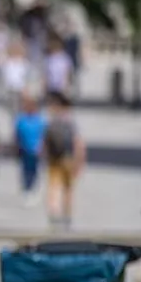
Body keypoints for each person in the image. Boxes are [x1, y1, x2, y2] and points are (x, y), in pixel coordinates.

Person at [42, 91, 86, 229]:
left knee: (53, 186)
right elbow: (78, 142)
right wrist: (80, 161)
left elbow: (45, 140)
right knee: (68, 188)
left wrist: (44, 155)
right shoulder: (70, 122)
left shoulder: (52, 121)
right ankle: (67, 215)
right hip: (68, 157)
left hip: (54, 158)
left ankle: (53, 213)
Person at [13, 93, 47, 205]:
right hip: (24, 149)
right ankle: (26, 189)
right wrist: (16, 146)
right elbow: (17, 134)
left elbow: (44, 135)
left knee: (34, 170)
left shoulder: (40, 120)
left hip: (36, 149)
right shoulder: (21, 119)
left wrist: (43, 147)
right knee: (25, 169)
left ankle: (32, 188)